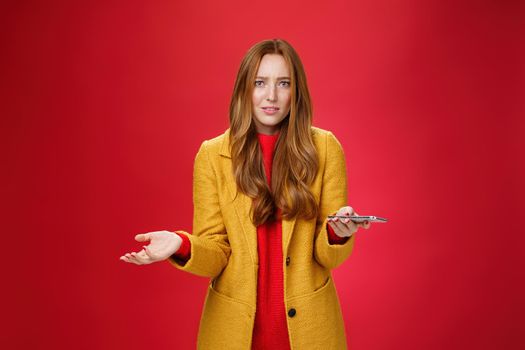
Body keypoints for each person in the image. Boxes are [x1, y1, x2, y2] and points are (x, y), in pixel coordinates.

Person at [120, 38, 371, 350]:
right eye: (259, 83)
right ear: (244, 89)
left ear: (297, 91)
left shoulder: (324, 149)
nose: (271, 96)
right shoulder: (212, 155)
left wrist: (337, 233)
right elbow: (215, 254)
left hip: (310, 333)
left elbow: (328, 256)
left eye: (283, 83)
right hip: (233, 334)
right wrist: (180, 244)